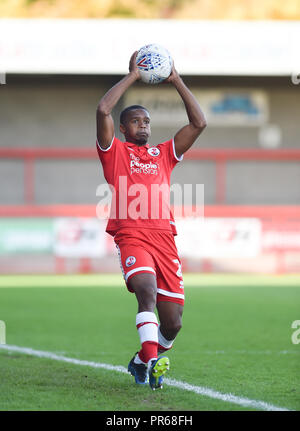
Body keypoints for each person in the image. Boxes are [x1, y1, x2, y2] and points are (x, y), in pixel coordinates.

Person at [96, 51, 206, 390]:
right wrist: (133, 75)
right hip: (132, 235)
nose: (144, 125)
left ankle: (141, 360)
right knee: (145, 293)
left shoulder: (163, 154)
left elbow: (199, 123)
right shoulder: (113, 151)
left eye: (147, 121)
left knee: (172, 324)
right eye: (137, 121)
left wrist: (175, 80)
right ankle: (153, 360)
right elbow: (103, 110)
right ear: (125, 127)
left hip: (164, 239)